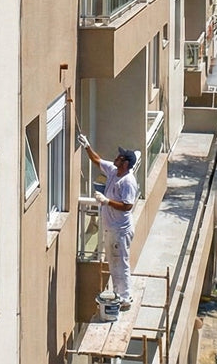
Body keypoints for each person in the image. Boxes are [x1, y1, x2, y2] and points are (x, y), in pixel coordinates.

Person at [77, 133, 139, 310]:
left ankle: (125, 298)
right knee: (114, 263)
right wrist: (87, 145)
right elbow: (97, 160)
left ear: (125, 163)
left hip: (120, 230)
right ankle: (119, 295)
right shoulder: (113, 170)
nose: (116, 158)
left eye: (119, 157)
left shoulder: (127, 182)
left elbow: (127, 206)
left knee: (121, 263)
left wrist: (106, 201)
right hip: (112, 229)